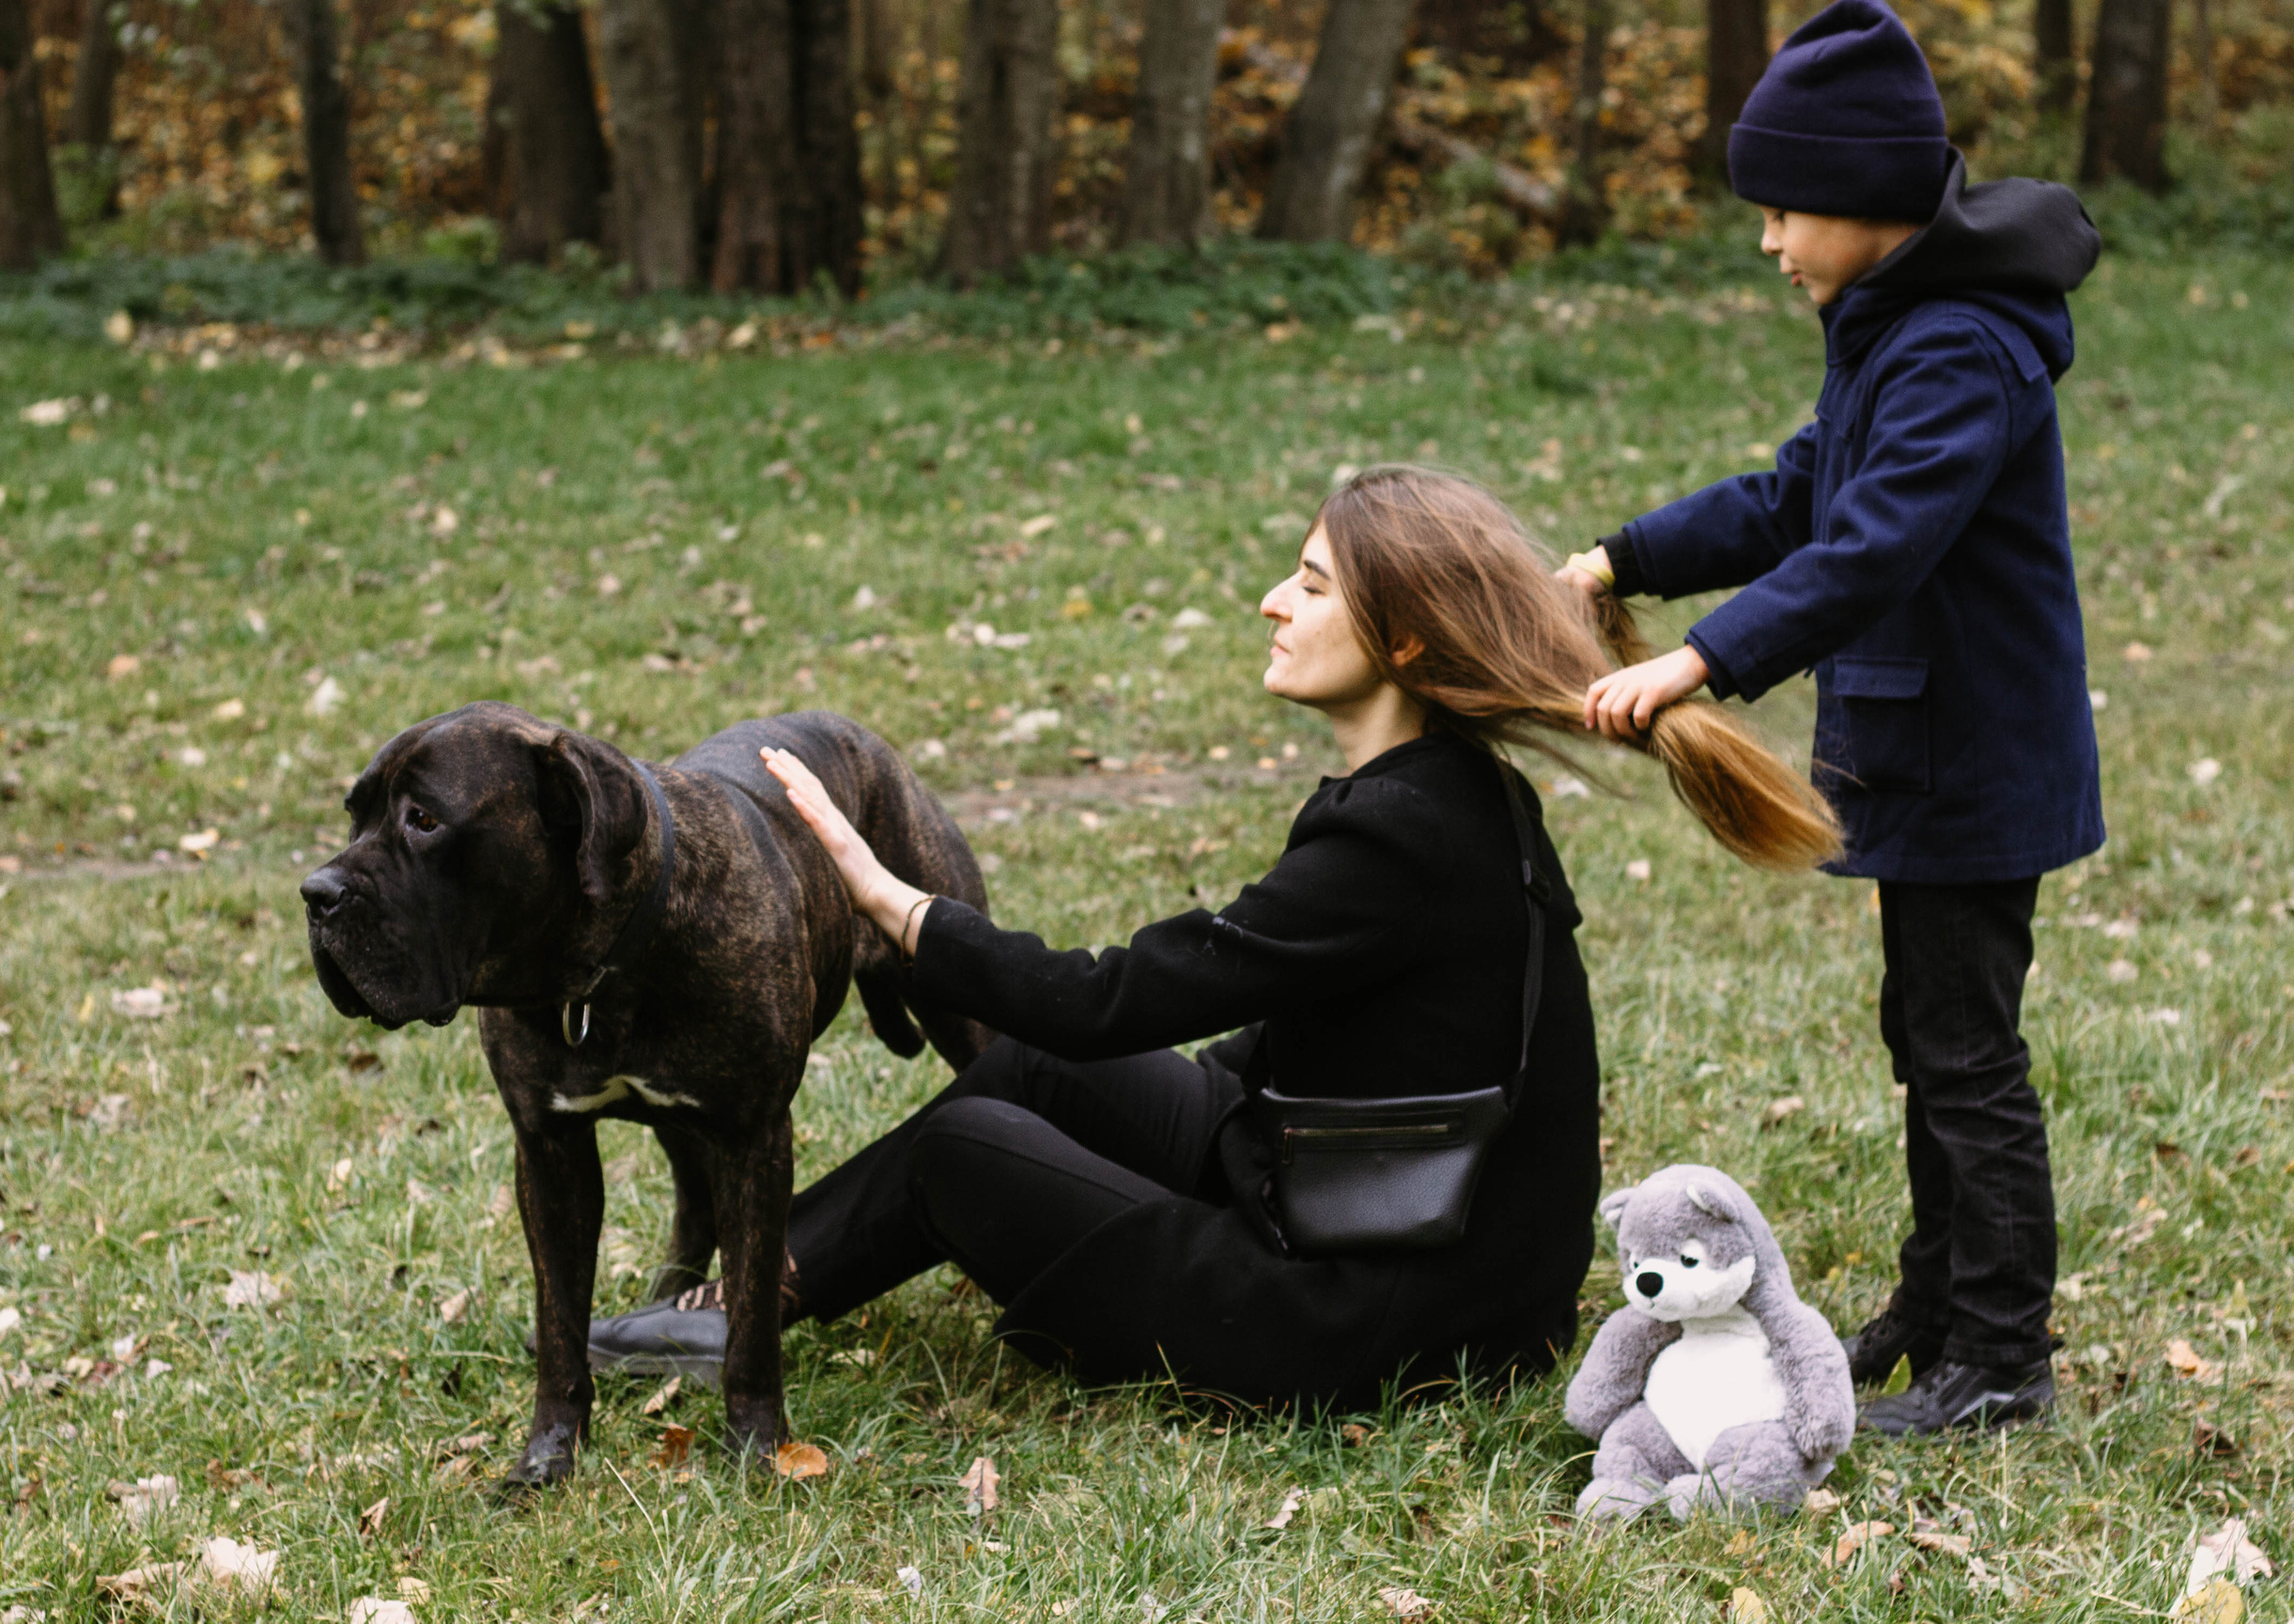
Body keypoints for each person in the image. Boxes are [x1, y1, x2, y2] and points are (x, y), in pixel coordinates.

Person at [589, 467, 1839, 1409]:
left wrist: (893, 901)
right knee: (1022, 1074)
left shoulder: (1398, 837)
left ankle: (745, 1302)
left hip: (1371, 1314)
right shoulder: (1449, 794)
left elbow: (1115, 997)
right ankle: (761, 1282)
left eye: (1308, 584)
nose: (1271, 603)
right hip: (1392, 1226)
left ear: (1401, 640)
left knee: (965, 1147)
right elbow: (1280, 1026)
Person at [1558, 0, 2102, 1436]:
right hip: (1921, 752)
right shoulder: (1891, 323)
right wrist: (1626, 559)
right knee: (1926, 1039)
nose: (1769, 238)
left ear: (1867, 198)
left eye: (1786, 207)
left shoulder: (1962, 347)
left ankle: (1999, 1361)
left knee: (1968, 1058)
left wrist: (1698, 663)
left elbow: (1870, 547)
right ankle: (1938, 1303)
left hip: (1977, 762)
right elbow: (1798, 496)